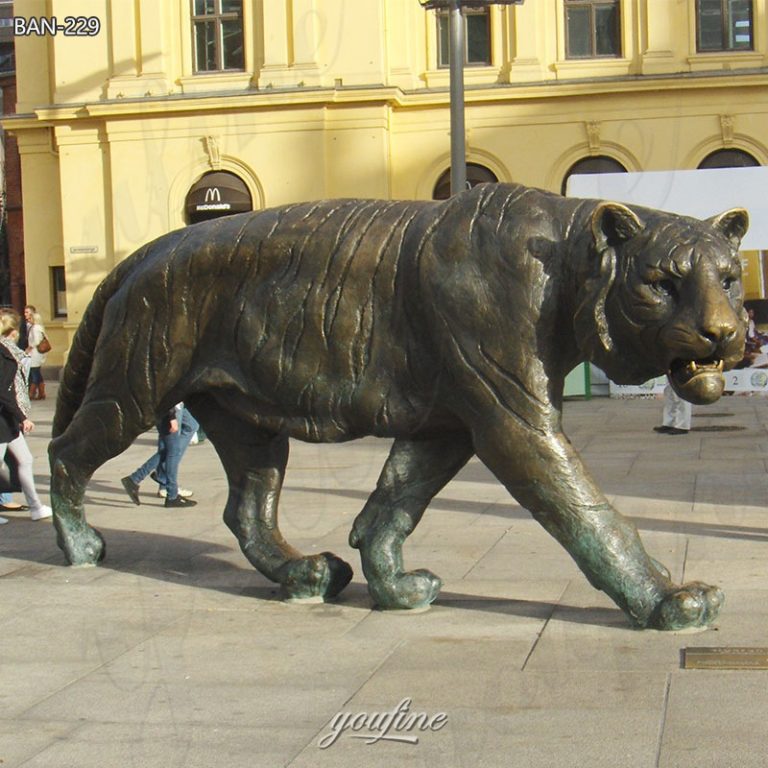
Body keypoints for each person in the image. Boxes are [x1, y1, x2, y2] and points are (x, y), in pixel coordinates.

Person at [0, 309, 52, 521]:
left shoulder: (9, 353)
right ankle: (34, 506)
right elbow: (4, 391)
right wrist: (23, 417)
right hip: (4, 418)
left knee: (25, 459)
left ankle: (36, 506)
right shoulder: (5, 355)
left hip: (8, 418)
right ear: (13, 332)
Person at [121, 403, 197, 508]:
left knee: (191, 426)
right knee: (172, 451)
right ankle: (171, 495)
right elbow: (167, 392)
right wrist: (172, 417)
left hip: (176, 405)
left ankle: (144, 477)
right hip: (169, 408)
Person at [25, 309, 48, 400]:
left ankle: (32, 392)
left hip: (35, 353)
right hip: (36, 353)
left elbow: (37, 341)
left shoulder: (36, 328)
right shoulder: (38, 327)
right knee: (37, 372)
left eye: (31, 318)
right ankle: (42, 393)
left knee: (35, 372)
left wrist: (30, 347)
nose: (29, 319)